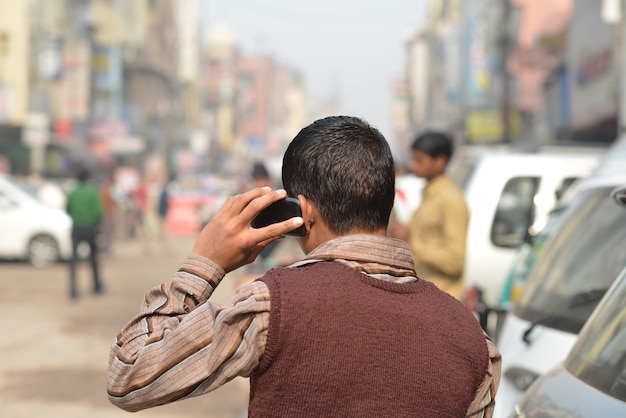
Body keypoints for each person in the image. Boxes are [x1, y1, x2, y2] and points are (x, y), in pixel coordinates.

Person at [107, 116, 500, 416]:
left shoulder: (270, 307)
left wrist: (203, 264)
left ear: (302, 210)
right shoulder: (475, 342)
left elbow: (129, 377)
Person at [389, 131, 469, 301]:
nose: (413, 165)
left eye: (419, 160)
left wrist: (411, 243)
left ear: (439, 161)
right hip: (425, 297)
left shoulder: (451, 200)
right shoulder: (429, 195)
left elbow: (455, 262)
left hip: (444, 301)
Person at [66, 167, 104, 299]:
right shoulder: (92, 192)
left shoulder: (72, 192)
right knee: (93, 258)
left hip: (76, 227)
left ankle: (73, 289)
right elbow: (98, 211)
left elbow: (68, 209)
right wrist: (94, 222)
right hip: (90, 228)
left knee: (74, 259)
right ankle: (96, 285)